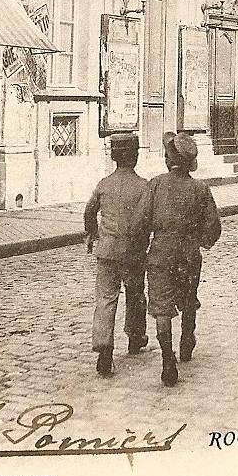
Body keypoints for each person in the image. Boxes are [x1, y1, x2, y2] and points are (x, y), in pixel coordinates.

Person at [130, 132, 222, 387]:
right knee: (189, 299)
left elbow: (139, 223)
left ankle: (167, 359)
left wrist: (142, 246)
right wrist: (201, 241)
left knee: (161, 308)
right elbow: (213, 227)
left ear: (169, 159)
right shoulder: (201, 189)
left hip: (160, 253)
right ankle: (187, 341)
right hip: (189, 255)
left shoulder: (156, 184)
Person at [83, 132, 149, 378]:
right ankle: (135, 337)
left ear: (114, 156)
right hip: (133, 252)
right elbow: (147, 221)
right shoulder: (144, 186)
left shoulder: (104, 184)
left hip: (107, 252)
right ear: (135, 156)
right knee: (135, 294)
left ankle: (104, 351)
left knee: (106, 299)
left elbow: (89, 212)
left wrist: (92, 234)